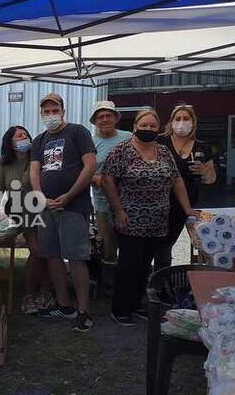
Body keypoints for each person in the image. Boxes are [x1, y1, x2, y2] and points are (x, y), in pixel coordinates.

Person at [103, 109, 199, 326]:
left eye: (152, 126)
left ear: (158, 128)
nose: (148, 129)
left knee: (145, 265)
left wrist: (187, 208)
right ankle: (120, 309)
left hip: (157, 221)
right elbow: (108, 181)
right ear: (135, 126)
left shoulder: (164, 152)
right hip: (130, 220)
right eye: (143, 125)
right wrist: (118, 211)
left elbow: (177, 181)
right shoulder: (121, 151)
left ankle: (137, 304)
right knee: (129, 265)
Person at [29, 93, 97, 332]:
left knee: (76, 257)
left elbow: (90, 165)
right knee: (52, 256)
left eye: (54, 109)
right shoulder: (39, 140)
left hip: (74, 206)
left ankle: (83, 310)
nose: (50, 115)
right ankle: (64, 304)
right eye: (46, 111)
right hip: (47, 208)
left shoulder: (78, 132)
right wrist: (40, 196)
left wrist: (69, 195)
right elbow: (35, 171)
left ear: (63, 110)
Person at [0, 125, 48, 314]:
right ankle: (32, 293)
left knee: (42, 251)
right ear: (10, 143)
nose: (23, 137)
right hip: (18, 212)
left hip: (40, 210)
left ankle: (41, 291)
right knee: (38, 251)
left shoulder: (37, 158)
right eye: (18, 136)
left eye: (25, 134)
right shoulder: (5, 163)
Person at [154, 103, 217, 271]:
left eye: (186, 119)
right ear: (171, 122)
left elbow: (211, 179)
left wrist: (204, 171)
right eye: (178, 118)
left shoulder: (201, 147)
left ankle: (160, 278)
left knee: (167, 244)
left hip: (184, 206)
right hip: (157, 202)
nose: (182, 122)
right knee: (156, 244)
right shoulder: (159, 141)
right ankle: (154, 278)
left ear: (193, 123)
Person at [89, 101, 131, 293]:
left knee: (130, 244)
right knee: (108, 245)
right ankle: (109, 286)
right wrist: (96, 178)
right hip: (103, 204)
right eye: (100, 116)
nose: (105, 119)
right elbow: (83, 171)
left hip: (130, 202)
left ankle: (128, 282)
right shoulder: (90, 143)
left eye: (108, 115)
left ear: (115, 118)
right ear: (95, 121)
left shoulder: (129, 138)